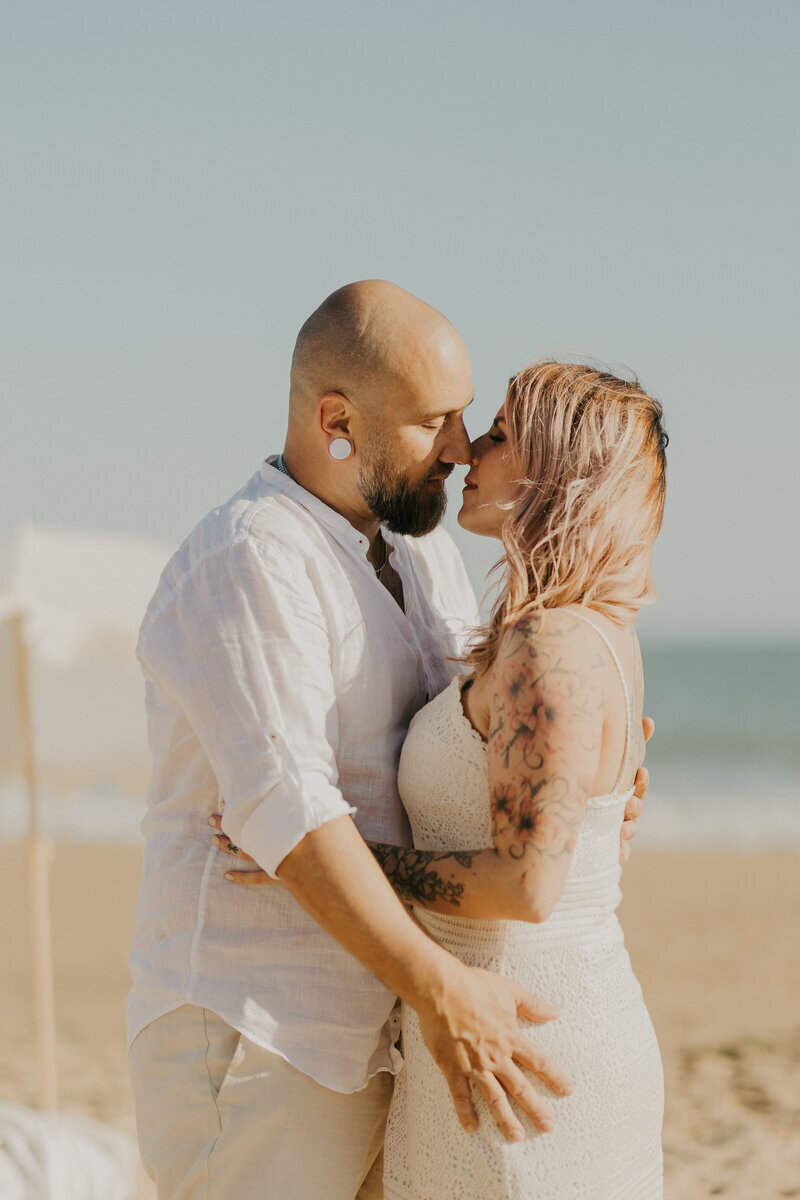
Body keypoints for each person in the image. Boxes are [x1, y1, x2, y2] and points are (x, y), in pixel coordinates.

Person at [129, 280, 648, 1200]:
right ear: (338, 419)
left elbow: (480, 747)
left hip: (403, 1035)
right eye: (435, 421)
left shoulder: (422, 555)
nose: (458, 447)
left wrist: (591, 807)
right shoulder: (251, 558)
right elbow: (286, 811)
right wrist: (444, 990)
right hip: (263, 1039)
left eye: (469, 420)